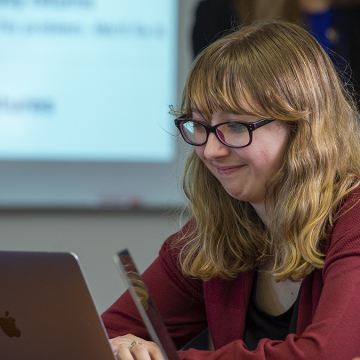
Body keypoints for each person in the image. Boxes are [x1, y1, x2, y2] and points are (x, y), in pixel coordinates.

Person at [101, 21, 360, 359]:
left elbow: (327, 354)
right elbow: (100, 335)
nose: (210, 151)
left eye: (236, 126)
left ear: (304, 129)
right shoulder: (218, 230)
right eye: (199, 126)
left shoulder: (353, 220)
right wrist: (125, 348)